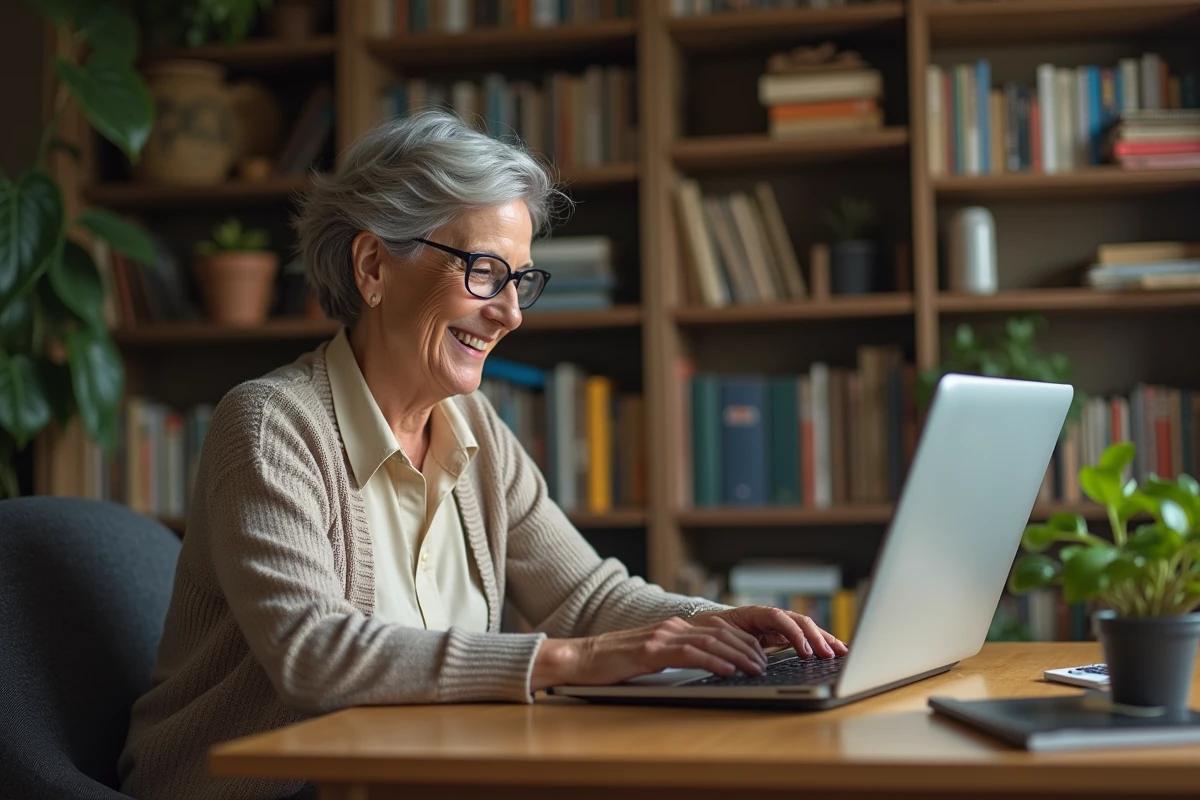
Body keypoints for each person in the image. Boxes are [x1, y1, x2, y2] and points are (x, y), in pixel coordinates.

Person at [118, 110, 848, 800]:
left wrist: (716, 624)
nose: (511, 313)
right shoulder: (271, 426)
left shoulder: (475, 429)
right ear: (373, 266)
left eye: (521, 280)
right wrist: (573, 662)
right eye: (484, 272)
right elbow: (315, 655)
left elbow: (584, 598)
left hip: (412, 778)